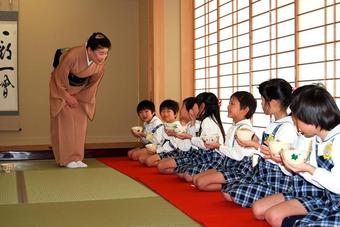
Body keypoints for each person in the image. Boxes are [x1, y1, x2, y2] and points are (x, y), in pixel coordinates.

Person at [252, 84, 340, 227]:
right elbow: (314, 177)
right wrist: (285, 162)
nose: (294, 123)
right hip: (328, 200)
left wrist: (308, 168)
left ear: (310, 116)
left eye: (296, 117)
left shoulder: (336, 140)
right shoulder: (319, 139)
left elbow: (336, 184)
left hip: (324, 197)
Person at [223, 78, 298, 207]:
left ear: (273, 102)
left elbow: (279, 156)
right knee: (227, 190)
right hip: (262, 173)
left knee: (234, 194)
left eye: (263, 100)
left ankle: (277, 200)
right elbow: (266, 147)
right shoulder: (274, 123)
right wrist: (255, 141)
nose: (262, 104)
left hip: (277, 179)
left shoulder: (288, 127)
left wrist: (255, 145)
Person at [49, 32, 111, 168]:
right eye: (101, 53)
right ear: (89, 50)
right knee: (65, 126)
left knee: (80, 126)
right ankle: (66, 159)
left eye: (106, 53)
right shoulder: (72, 55)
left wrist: (82, 99)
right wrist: (67, 97)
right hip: (62, 90)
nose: (104, 57)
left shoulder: (100, 65)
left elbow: (93, 84)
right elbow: (59, 78)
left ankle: (77, 157)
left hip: (81, 93)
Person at [192, 91, 257, 191]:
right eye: (229, 103)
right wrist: (217, 146)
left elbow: (237, 155)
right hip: (227, 163)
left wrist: (218, 146)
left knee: (200, 183)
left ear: (244, 110)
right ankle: (230, 186)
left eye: (232, 104)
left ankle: (231, 186)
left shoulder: (244, 130)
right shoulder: (235, 126)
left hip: (238, 168)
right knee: (196, 179)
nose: (228, 106)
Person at [157, 92, 226, 182]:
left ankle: (212, 176)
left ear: (202, 106)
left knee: (189, 176)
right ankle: (207, 176)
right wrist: (191, 125)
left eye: (196, 105)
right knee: (181, 173)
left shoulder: (207, 121)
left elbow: (206, 144)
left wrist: (189, 137)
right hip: (203, 154)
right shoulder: (206, 120)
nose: (194, 108)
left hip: (211, 157)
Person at [138, 99, 180, 165]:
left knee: (147, 161)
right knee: (141, 159)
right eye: (163, 111)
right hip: (160, 148)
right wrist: (141, 135)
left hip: (171, 151)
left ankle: (169, 163)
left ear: (175, 114)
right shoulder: (164, 125)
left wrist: (144, 135)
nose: (165, 114)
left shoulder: (175, 127)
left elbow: (157, 140)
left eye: (168, 111)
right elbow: (160, 141)